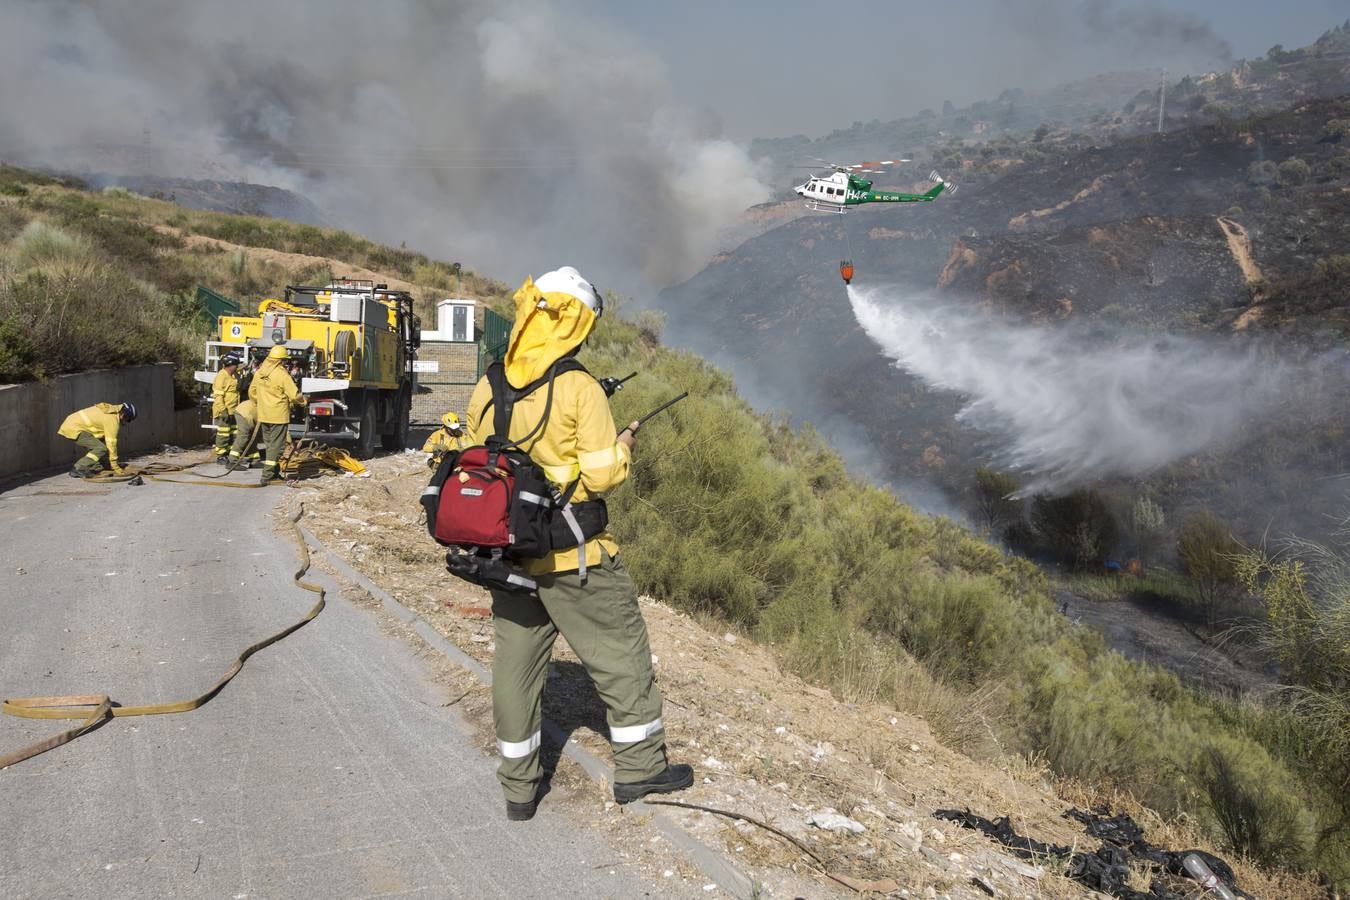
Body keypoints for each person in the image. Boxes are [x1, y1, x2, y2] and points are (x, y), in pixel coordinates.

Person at [464, 266, 692, 822]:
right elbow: (601, 476)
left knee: (515, 671)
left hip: (506, 553)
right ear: (575, 325)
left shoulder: (489, 381)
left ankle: (518, 788)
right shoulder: (578, 387)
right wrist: (621, 445)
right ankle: (640, 768)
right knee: (621, 656)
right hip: (573, 557)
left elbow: (474, 454)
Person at [248, 345, 305, 485]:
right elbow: (294, 395)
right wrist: (304, 401)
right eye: (284, 360)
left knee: (269, 445)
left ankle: (274, 473)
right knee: (276, 447)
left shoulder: (260, 372)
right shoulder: (282, 375)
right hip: (278, 416)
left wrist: (262, 403)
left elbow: (252, 392)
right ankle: (267, 475)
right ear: (280, 361)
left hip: (264, 415)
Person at [58, 401, 136, 478]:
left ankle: (97, 466)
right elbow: (111, 444)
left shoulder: (110, 409)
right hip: (74, 428)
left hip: (73, 424)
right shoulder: (112, 419)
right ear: (123, 414)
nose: (125, 421)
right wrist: (115, 465)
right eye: (127, 419)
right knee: (100, 448)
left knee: (100, 443)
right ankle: (79, 468)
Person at [211, 353, 242, 463]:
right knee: (223, 434)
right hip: (224, 411)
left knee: (233, 434)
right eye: (235, 365)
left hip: (233, 410)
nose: (237, 367)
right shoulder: (222, 376)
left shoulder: (234, 375)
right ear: (230, 364)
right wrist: (223, 410)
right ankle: (221, 455)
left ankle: (230, 455)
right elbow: (218, 395)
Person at [227, 397, 263, 469]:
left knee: (253, 437)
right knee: (243, 436)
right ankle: (232, 461)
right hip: (244, 412)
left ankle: (255, 460)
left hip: (250, 414)